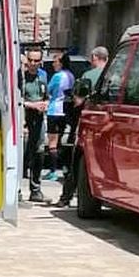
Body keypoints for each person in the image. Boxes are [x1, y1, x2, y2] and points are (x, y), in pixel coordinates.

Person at [58, 45, 109, 207]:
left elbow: (78, 99)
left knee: (78, 162)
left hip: (88, 123)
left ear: (94, 58)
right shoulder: (116, 73)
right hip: (108, 125)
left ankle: (66, 198)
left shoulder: (89, 75)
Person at [21, 49, 49, 202]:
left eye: (36, 61)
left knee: (39, 152)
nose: (32, 64)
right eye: (30, 60)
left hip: (38, 119)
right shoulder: (21, 77)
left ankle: (36, 189)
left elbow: (47, 95)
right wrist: (32, 105)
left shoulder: (43, 76)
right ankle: (16, 190)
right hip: (23, 118)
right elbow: (16, 99)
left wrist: (45, 104)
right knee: (22, 154)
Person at [44, 52, 75, 181]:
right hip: (65, 111)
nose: (53, 64)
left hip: (54, 110)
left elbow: (48, 90)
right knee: (61, 140)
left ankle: (52, 171)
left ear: (61, 63)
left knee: (52, 142)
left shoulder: (57, 76)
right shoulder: (71, 76)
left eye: (55, 61)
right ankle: (64, 167)